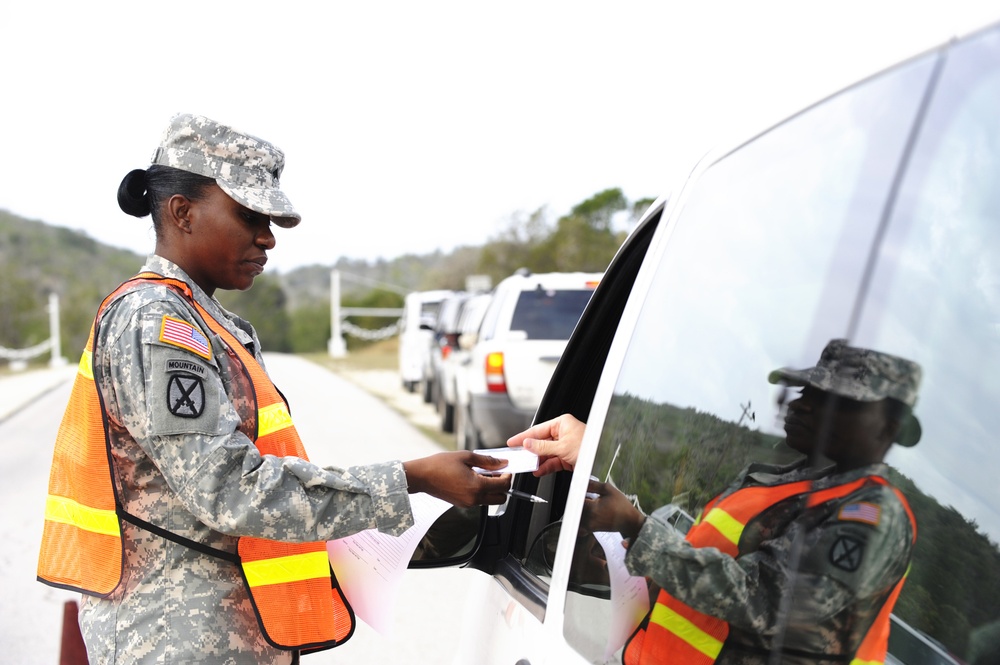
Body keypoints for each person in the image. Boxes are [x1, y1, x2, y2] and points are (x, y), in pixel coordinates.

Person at [37, 113, 512, 664]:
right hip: (174, 642)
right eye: (249, 216)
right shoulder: (155, 323)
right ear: (182, 211)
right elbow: (229, 487)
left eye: (270, 221)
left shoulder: (201, 320)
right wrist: (411, 479)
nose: (267, 237)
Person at [508, 339, 922, 664]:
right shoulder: (788, 483)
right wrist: (625, 568)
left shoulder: (872, 516)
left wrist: (637, 527)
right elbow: (708, 569)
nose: (803, 404)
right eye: (806, 391)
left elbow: (767, 601)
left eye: (835, 400)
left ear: (888, 428)